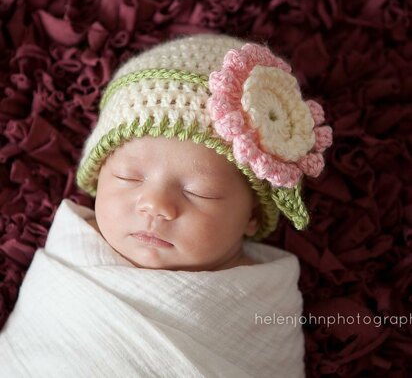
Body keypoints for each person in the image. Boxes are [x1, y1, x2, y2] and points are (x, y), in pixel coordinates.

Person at [0, 34, 333, 377]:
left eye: (200, 192)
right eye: (130, 178)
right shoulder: (69, 260)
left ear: (252, 215)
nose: (155, 205)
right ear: (98, 180)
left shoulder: (264, 302)